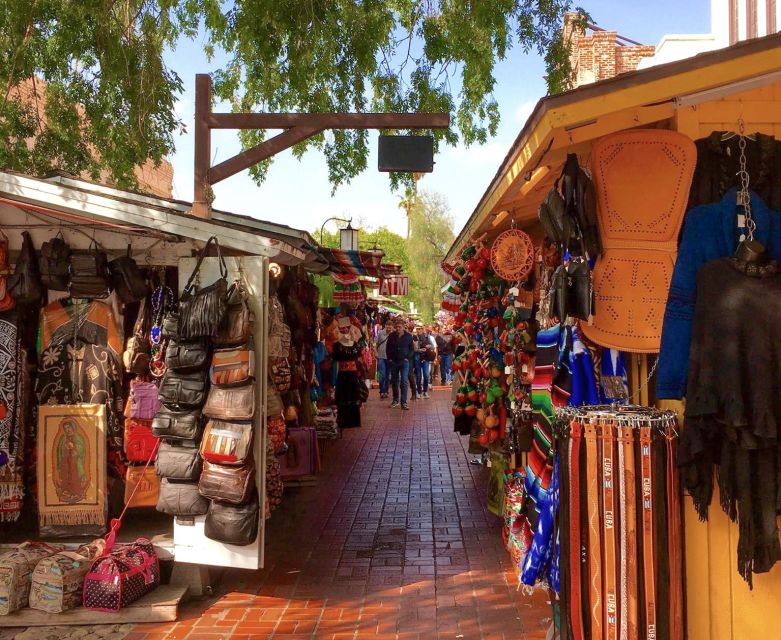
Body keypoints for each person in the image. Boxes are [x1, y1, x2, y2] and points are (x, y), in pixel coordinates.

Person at [387, 318, 414, 410]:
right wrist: (390, 359)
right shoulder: (391, 336)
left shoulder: (408, 336)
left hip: (404, 361)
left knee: (404, 381)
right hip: (394, 361)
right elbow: (388, 348)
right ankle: (395, 400)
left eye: (399, 327)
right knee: (394, 381)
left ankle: (404, 402)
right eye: (396, 327)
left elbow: (412, 349)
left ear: (403, 327)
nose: (397, 329)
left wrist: (407, 358)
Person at [414, 325, 436, 398]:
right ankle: (419, 392)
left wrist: (429, 346)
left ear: (422, 329)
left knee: (426, 375)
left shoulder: (427, 337)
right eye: (417, 329)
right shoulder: (414, 337)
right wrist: (419, 350)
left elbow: (433, 346)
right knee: (418, 376)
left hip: (425, 358)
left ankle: (425, 391)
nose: (418, 330)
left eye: (419, 329)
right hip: (417, 358)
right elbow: (412, 348)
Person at [375, 319, 391, 399]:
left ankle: (386, 391)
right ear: (385, 327)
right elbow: (375, 343)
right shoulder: (380, 333)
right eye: (387, 328)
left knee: (388, 376)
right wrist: (375, 352)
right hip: (381, 356)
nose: (388, 329)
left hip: (389, 358)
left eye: (390, 328)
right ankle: (382, 391)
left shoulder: (392, 334)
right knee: (382, 375)